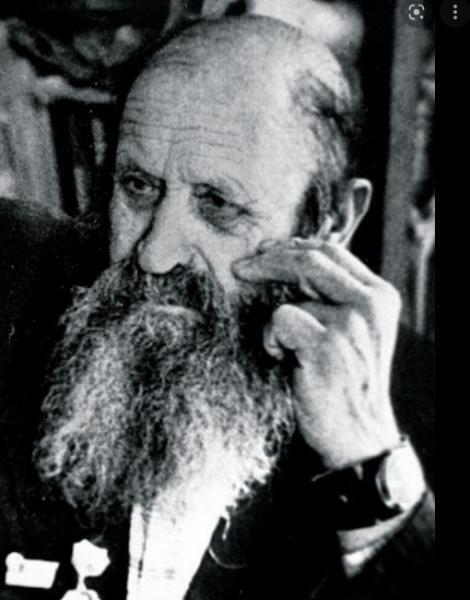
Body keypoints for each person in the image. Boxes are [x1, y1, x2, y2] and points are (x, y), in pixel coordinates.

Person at [0, 16, 434, 600]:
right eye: (138, 186)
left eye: (218, 204)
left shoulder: (412, 415)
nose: (155, 255)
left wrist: (369, 473)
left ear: (332, 223)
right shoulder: (15, 281)